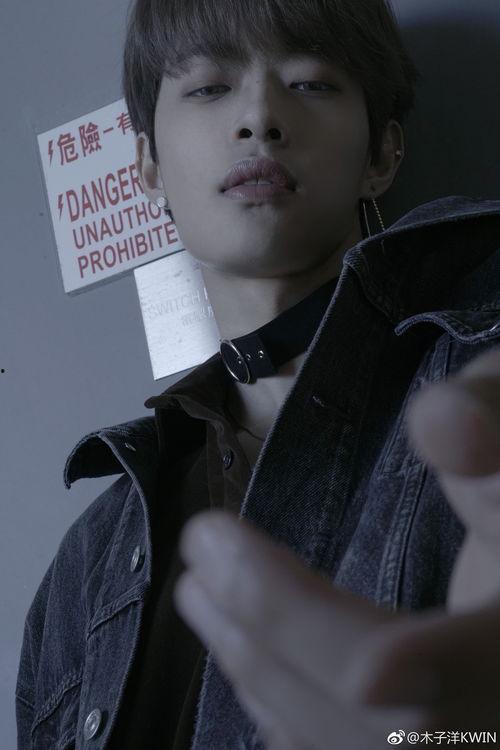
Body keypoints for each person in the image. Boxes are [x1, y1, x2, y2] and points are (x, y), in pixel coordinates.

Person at [15, 0, 500, 747]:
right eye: (209, 87)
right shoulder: (87, 564)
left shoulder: (481, 395)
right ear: (147, 166)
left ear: (382, 154)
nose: (260, 118)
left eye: (310, 83)